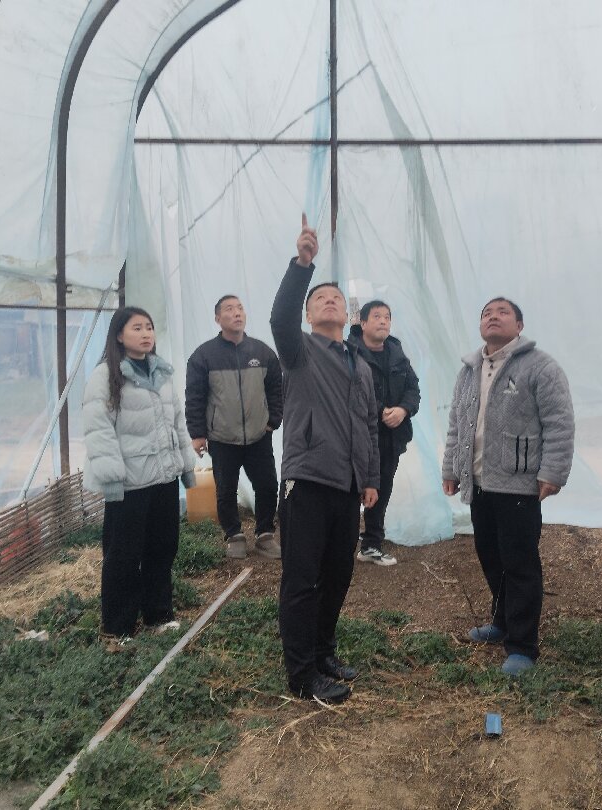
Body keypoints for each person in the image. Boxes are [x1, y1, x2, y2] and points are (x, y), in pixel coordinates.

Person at [270, 214, 380, 703]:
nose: (329, 301)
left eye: (336, 297)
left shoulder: (360, 364)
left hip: (346, 484)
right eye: (320, 298)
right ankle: (301, 675)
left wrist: (369, 478)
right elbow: (279, 318)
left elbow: (368, 425)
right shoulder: (299, 351)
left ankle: (323, 651)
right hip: (308, 479)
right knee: (302, 579)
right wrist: (302, 266)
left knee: (338, 575)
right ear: (309, 314)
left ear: (348, 312)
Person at [442, 297, 574, 676]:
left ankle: (522, 645)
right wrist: (452, 468)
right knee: (490, 555)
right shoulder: (470, 370)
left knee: (519, 563)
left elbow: (559, 422)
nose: (493, 317)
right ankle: (501, 622)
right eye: (486, 313)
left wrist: (552, 472)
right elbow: (457, 424)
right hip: (480, 482)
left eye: (503, 312)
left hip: (518, 484)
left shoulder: (540, 367)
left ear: (519, 325)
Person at [82, 306, 198, 640]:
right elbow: (98, 429)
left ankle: (158, 616)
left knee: (162, 548)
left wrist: (185, 467)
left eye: (149, 327)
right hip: (129, 483)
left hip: (163, 478)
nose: (146, 333)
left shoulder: (161, 372)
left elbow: (177, 422)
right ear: (119, 335)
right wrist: (112, 477)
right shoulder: (106, 375)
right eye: (137, 328)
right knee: (123, 555)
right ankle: (118, 627)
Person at [185, 295, 283, 560]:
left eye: (240, 308)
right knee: (226, 489)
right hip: (221, 437)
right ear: (218, 318)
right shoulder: (204, 356)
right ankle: (234, 535)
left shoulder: (263, 352)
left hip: (258, 435)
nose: (237, 313)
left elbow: (277, 389)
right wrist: (198, 434)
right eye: (229, 309)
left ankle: (265, 535)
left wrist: (273, 421)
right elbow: (194, 397)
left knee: (267, 485)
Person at [346, 300, 420, 565]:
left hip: (390, 436)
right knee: (350, 488)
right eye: (377, 316)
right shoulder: (349, 354)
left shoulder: (397, 353)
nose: (383, 321)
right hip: (357, 436)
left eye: (387, 317)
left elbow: (413, 389)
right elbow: (348, 392)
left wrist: (402, 410)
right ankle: (342, 543)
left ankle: (371, 543)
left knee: (382, 487)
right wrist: (381, 411)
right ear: (363, 323)